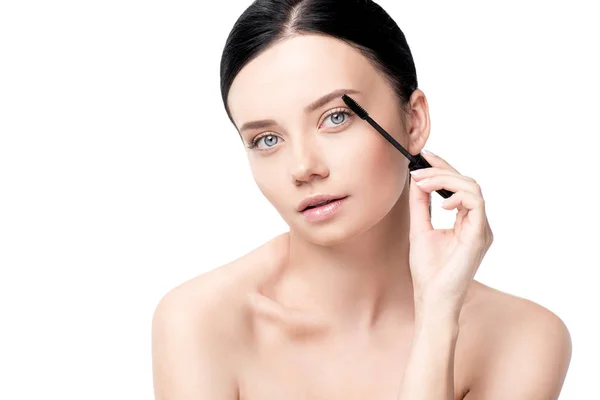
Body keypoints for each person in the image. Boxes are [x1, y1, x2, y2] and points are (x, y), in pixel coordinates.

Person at [151, 1, 572, 398]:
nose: (303, 167)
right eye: (266, 139)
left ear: (414, 120)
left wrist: (437, 318)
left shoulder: (524, 338)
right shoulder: (200, 322)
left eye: (336, 117)